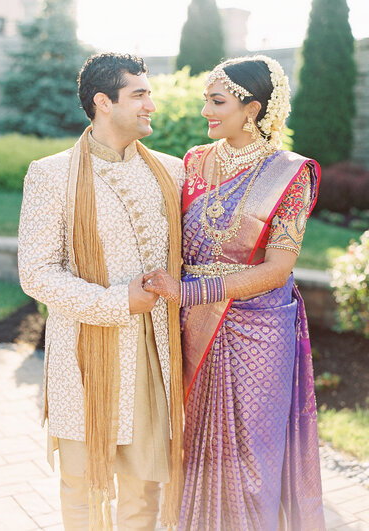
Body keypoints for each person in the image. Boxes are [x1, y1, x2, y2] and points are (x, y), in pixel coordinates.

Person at [143, 55, 326, 530]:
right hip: (194, 323)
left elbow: (278, 267)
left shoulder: (290, 173)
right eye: (206, 97)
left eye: (216, 100)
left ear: (253, 108)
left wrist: (188, 292)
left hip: (258, 329)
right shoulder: (195, 162)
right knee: (194, 444)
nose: (205, 109)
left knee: (250, 461)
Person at [18, 52, 185, 530]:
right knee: (83, 484)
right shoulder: (51, 174)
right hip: (85, 356)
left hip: (153, 352)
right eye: (140, 94)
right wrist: (116, 302)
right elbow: (37, 272)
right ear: (102, 102)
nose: (151, 103)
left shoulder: (170, 172)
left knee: (143, 485)